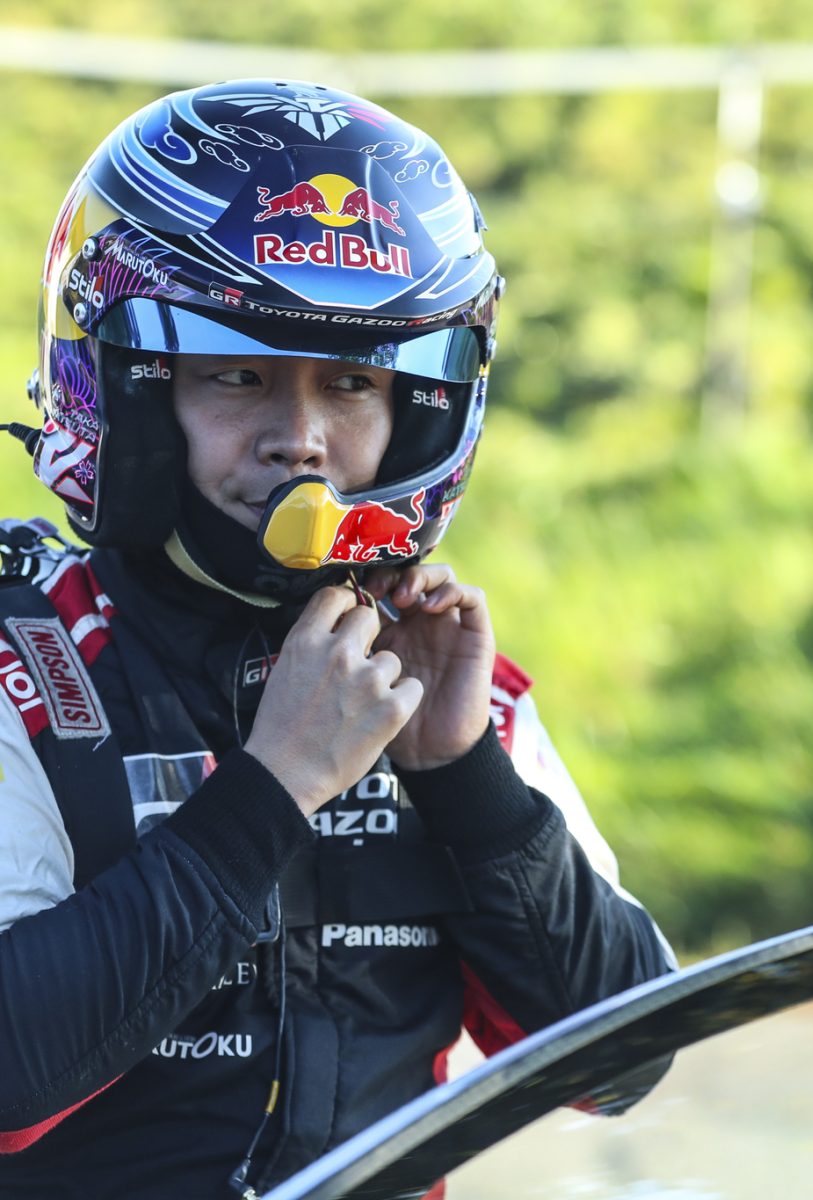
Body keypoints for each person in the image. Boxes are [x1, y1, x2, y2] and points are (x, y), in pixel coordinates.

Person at [0, 79, 675, 1199]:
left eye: (353, 383)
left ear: (418, 412)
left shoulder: (447, 675)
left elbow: (623, 1063)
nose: (300, 440)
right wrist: (273, 789)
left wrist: (463, 776)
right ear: (128, 390)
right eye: (238, 376)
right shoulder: (27, 664)